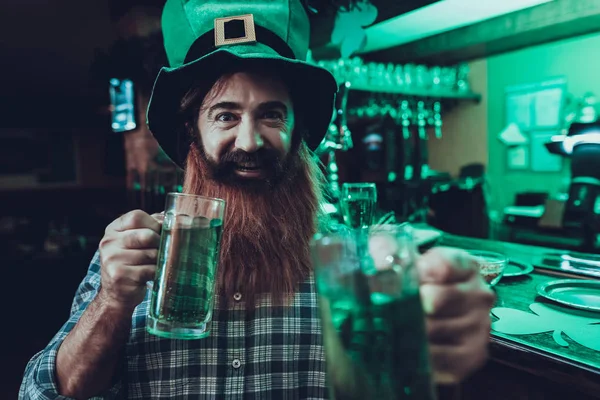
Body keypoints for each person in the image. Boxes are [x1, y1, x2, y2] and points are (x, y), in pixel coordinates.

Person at [20, 0, 495, 398]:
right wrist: (112, 300)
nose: (249, 141)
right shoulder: (135, 258)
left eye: (271, 114)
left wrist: (439, 330)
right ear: (192, 131)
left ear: (297, 131)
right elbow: (41, 393)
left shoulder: (351, 270)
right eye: (225, 116)